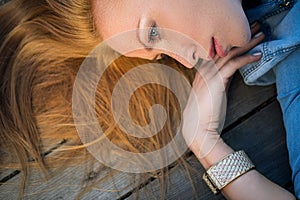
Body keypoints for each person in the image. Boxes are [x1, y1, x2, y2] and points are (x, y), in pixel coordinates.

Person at [0, 0, 299, 199]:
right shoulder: (290, 61)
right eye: (161, 55)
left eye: (153, 32)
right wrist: (205, 144)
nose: (187, 61)